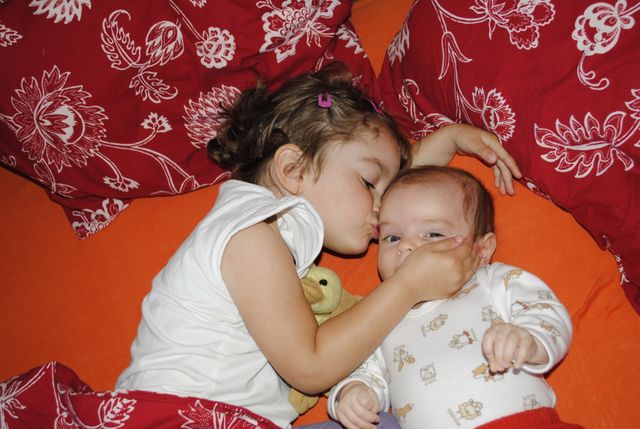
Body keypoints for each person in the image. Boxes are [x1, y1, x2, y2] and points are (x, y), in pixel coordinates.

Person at [116, 62, 521, 429]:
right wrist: (408, 286)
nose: (382, 210)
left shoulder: (266, 225)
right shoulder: (250, 235)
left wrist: (449, 139)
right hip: (182, 418)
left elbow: (371, 179)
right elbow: (310, 367)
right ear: (292, 169)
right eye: (369, 184)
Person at [327, 165, 580, 429]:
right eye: (392, 237)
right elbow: (364, 369)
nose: (406, 246)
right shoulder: (382, 313)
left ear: (482, 250)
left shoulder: (492, 281)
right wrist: (354, 392)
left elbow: (544, 311)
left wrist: (529, 340)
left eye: (433, 234)